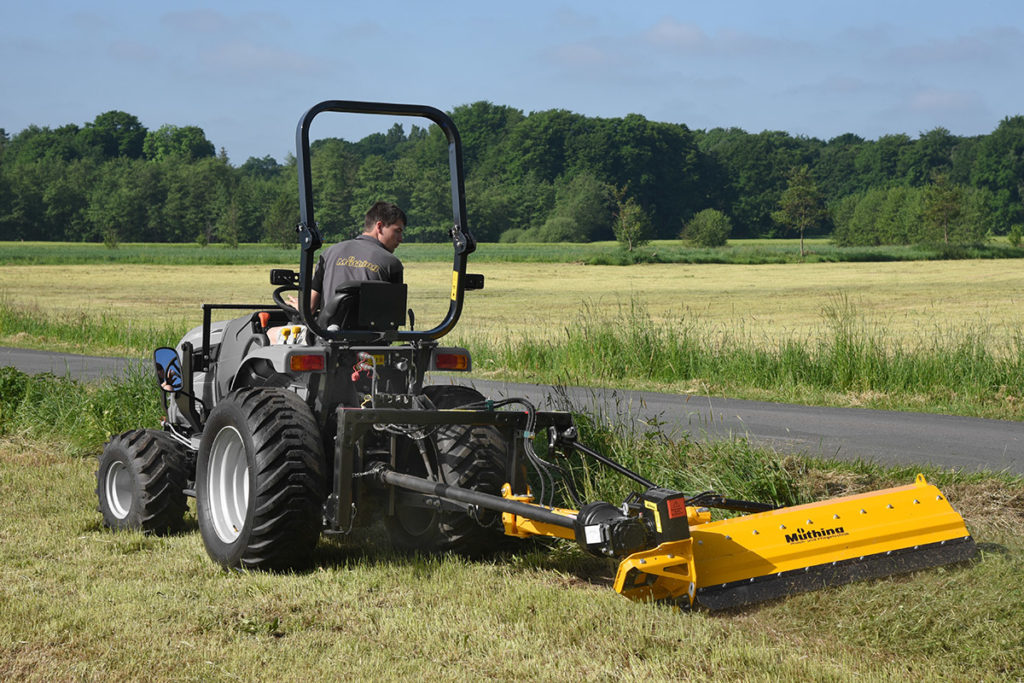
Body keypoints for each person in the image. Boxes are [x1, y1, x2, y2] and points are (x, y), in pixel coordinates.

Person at [276, 201, 405, 342]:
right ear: (379, 227)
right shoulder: (392, 263)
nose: (401, 239)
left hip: (326, 338)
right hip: (373, 344)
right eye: (397, 231)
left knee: (269, 333)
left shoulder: (329, 253)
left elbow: (310, 308)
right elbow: (392, 320)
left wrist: (299, 305)